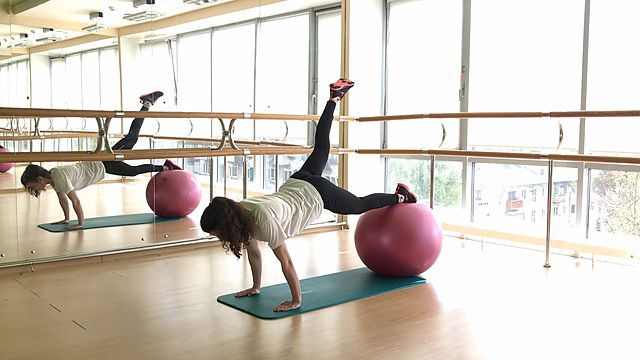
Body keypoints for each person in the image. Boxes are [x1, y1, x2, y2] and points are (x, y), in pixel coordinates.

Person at [200, 79, 418, 312]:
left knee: (359, 205)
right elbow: (253, 251)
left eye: (217, 232)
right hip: (297, 181)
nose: (218, 237)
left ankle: (400, 197)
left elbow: (286, 262)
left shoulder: (262, 220)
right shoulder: (240, 212)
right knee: (321, 147)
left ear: (225, 224)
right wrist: (255, 287)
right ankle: (334, 97)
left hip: (315, 193)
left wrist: (296, 301)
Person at [21, 91, 182, 230]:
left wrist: (80, 223)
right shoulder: (55, 177)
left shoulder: (59, 178)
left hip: (103, 163)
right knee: (132, 155)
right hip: (102, 165)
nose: (33, 189)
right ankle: (164, 165)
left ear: (40, 179)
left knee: (131, 141)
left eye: (32, 186)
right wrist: (66, 219)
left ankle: (147, 105)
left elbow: (75, 201)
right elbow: (63, 200)